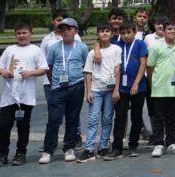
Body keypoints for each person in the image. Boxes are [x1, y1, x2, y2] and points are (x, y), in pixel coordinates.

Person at [0, 21, 47, 167]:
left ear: (31, 33)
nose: (21, 36)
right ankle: (2, 154)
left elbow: (43, 68)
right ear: (15, 34)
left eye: (24, 33)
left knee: (23, 126)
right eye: (19, 33)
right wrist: (4, 72)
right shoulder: (10, 49)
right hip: (8, 97)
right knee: (4, 126)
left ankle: (20, 153)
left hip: (26, 98)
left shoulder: (35, 50)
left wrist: (30, 73)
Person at [39, 17, 89, 164]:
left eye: (69, 29)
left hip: (77, 87)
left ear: (76, 31)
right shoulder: (54, 47)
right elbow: (49, 67)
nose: (65, 32)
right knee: (54, 120)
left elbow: (86, 68)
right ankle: (48, 151)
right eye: (63, 29)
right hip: (57, 89)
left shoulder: (82, 47)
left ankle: (69, 147)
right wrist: (55, 81)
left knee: (72, 119)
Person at [78, 23, 121, 162]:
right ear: (98, 34)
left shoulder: (116, 49)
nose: (104, 33)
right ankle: (89, 149)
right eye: (101, 31)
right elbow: (88, 73)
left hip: (110, 91)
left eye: (107, 31)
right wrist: (88, 91)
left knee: (107, 119)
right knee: (93, 120)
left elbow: (117, 70)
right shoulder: (92, 53)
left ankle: (103, 147)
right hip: (96, 90)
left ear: (112, 33)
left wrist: (116, 89)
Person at [146, 19, 175, 157]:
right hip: (159, 89)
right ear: (164, 30)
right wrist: (152, 84)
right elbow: (150, 67)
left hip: (173, 89)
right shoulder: (156, 47)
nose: (172, 31)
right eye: (169, 29)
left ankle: (171, 143)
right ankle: (158, 144)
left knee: (170, 118)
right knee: (159, 118)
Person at [112, 21, 148, 158]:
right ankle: (117, 147)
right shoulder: (117, 45)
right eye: (123, 33)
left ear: (134, 32)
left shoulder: (140, 44)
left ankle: (133, 145)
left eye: (129, 32)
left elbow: (143, 64)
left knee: (136, 117)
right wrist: (116, 88)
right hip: (121, 87)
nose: (126, 36)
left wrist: (136, 83)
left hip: (138, 87)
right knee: (120, 117)